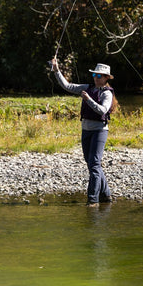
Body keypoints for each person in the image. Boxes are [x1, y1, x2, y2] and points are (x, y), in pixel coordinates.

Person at [51, 58, 117, 207]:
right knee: (91, 164)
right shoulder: (87, 87)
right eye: (94, 75)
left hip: (100, 131)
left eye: (99, 76)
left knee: (94, 164)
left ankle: (93, 200)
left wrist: (88, 100)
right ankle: (106, 195)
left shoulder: (107, 94)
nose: (95, 78)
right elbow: (67, 86)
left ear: (106, 78)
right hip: (86, 130)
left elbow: (102, 110)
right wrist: (56, 70)